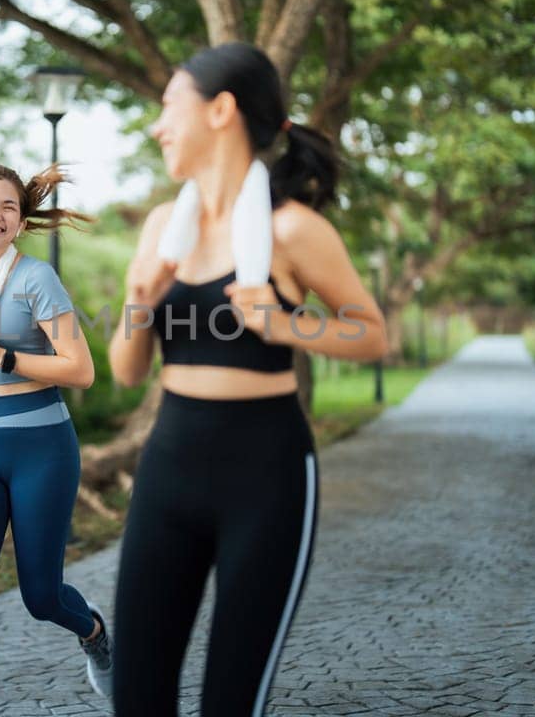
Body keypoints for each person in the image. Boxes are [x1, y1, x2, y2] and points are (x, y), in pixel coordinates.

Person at [107, 42, 389, 716]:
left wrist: (289, 326)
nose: (158, 125)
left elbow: (373, 333)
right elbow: (125, 372)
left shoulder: (292, 230)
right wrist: (140, 299)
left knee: (232, 703)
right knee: (137, 696)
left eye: (170, 105)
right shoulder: (158, 230)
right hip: (168, 467)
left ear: (221, 111)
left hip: (265, 472)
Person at [0, 164, 112, 716]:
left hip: (42, 451)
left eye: (9, 207)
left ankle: (95, 633)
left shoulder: (36, 279)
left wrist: (0, 355)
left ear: (20, 221)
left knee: (41, 597)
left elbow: (81, 371)